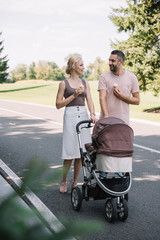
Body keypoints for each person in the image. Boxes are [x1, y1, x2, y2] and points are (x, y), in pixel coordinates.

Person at [56, 55, 96, 193]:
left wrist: (92, 113)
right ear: (73, 66)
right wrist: (73, 96)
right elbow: (58, 105)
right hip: (70, 116)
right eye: (81, 65)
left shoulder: (85, 83)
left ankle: (75, 182)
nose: (83, 67)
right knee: (69, 152)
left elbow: (89, 100)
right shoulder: (63, 83)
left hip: (83, 115)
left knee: (81, 152)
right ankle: (63, 180)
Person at [98, 50, 140, 125]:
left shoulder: (132, 77)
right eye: (109, 60)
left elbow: (137, 101)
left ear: (121, 62)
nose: (109, 63)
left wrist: (123, 97)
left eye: (113, 61)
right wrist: (107, 116)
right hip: (106, 121)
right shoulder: (103, 77)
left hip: (123, 122)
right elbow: (102, 98)